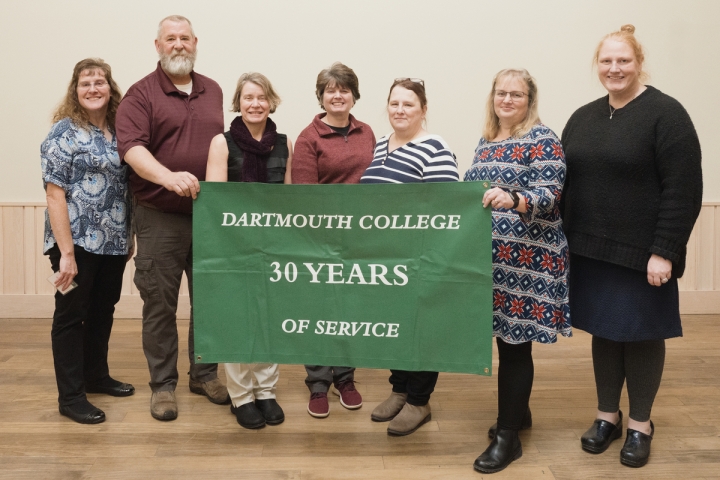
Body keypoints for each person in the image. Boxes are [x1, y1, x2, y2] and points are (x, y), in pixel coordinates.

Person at [561, 25, 702, 468]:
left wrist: (665, 250)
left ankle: (640, 424)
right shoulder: (583, 116)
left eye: (623, 60)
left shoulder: (666, 114)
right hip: (591, 251)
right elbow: (567, 183)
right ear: (597, 66)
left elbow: (684, 189)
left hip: (643, 257)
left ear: (638, 63)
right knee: (605, 333)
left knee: (641, 336)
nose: (614, 68)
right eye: (607, 61)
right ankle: (607, 417)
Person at [116, 15, 228, 421]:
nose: (178, 45)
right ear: (158, 45)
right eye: (171, 39)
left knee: (211, 302)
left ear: (195, 42)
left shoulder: (213, 90)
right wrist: (169, 177)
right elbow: (131, 148)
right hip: (159, 216)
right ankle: (163, 386)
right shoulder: (140, 94)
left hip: (209, 217)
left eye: (184, 38)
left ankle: (204, 374)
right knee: (160, 305)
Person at [464, 68, 571, 473]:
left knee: (514, 345)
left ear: (530, 101)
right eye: (501, 93)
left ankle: (508, 438)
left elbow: (548, 195)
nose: (507, 100)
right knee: (505, 341)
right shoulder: (486, 141)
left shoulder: (542, 138)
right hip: (491, 261)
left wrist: (513, 198)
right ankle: (518, 414)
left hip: (529, 263)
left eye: (517, 95)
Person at [362, 78, 458, 436]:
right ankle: (399, 390)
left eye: (408, 105)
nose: (400, 110)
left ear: (423, 110)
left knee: (420, 330)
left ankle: (419, 401)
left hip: (420, 259)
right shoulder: (381, 145)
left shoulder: (434, 148)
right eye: (394, 103)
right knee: (395, 328)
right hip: (385, 261)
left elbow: (446, 211)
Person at [41, 58, 135, 424]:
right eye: (85, 84)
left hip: (112, 242)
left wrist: (128, 236)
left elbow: (126, 187)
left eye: (99, 82)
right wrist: (66, 254)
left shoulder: (119, 130)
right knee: (71, 316)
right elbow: (54, 195)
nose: (93, 88)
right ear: (75, 91)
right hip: (74, 242)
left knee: (103, 310)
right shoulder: (63, 132)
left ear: (110, 89)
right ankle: (71, 396)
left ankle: (96, 376)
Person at [205, 72, 291, 429]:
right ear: (238, 103)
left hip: (274, 246)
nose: (255, 104)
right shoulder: (222, 143)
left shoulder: (285, 142)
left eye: (261, 97)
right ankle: (240, 395)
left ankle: (265, 390)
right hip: (235, 246)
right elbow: (216, 201)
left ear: (270, 101)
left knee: (269, 319)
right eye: (247, 98)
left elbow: (290, 199)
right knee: (239, 320)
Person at [292, 62, 376, 418]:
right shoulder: (308, 138)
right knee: (319, 309)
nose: (337, 95)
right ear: (321, 97)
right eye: (330, 90)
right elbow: (305, 198)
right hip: (321, 238)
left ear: (354, 95)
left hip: (361, 239)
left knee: (349, 310)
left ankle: (345, 377)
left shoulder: (367, 132)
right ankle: (317, 382)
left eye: (344, 89)